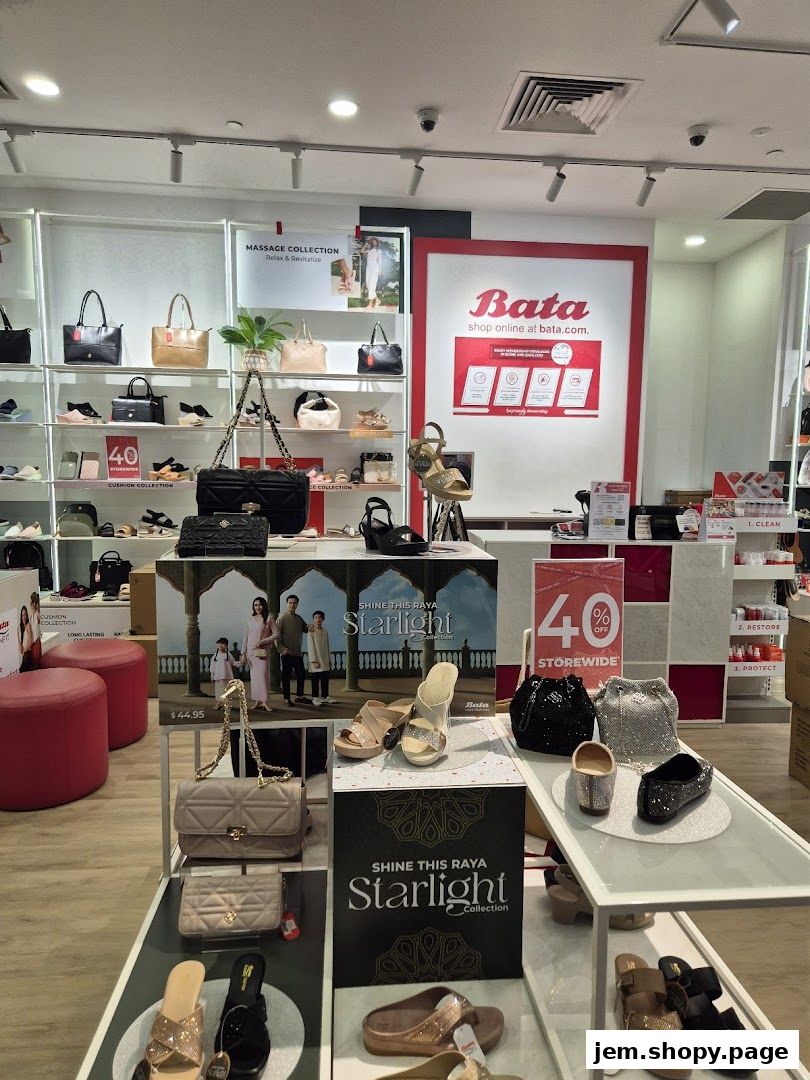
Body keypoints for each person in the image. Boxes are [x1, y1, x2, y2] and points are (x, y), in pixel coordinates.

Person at [240, 596, 277, 712]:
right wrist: (243, 653)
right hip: (250, 652)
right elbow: (246, 637)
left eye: (260, 605)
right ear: (253, 606)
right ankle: (257, 700)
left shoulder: (268, 618)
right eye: (255, 605)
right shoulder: (250, 619)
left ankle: (265, 702)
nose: (258, 607)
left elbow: (277, 634)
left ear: (264, 605)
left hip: (261, 652)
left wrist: (263, 641)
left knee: (262, 676)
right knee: (254, 678)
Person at [275, 594, 310, 706]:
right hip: (286, 653)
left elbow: (306, 628)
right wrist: (281, 649)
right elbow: (276, 635)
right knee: (286, 677)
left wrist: (311, 626)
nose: (292, 605)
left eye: (294, 603)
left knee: (301, 675)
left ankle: (299, 696)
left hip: (297, 653)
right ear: (287, 604)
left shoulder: (299, 618)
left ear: (297, 604)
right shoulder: (282, 618)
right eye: (290, 603)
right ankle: (287, 699)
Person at [307, 609, 335, 706]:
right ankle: (315, 698)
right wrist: (313, 660)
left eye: (320, 617)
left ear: (323, 619)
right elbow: (310, 646)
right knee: (315, 680)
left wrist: (329, 659)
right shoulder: (311, 631)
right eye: (316, 617)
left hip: (325, 659)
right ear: (313, 619)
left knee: (325, 679)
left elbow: (327, 646)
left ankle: (325, 697)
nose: (318, 619)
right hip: (316, 660)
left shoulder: (325, 631)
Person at [363, 236, 382, 309]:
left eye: (375, 241)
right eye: (372, 241)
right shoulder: (369, 250)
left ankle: (370, 304)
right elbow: (361, 251)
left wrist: (380, 270)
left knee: (372, 285)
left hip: (375, 267)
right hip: (368, 267)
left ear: (377, 242)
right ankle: (377, 300)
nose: (373, 242)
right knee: (368, 285)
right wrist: (365, 245)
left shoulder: (379, 251)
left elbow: (380, 261)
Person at [18, 605, 33, 672]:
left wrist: (24, 651)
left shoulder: (28, 625)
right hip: (25, 655)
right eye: (22, 615)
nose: (23, 617)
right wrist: (18, 636)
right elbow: (21, 651)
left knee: (22, 671)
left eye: (25, 615)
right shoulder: (22, 630)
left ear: (27, 615)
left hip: (28, 654)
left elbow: (31, 641)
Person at [28, 592, 41, 668]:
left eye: (30, 602)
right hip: (32, 641)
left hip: (36, 641)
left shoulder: (36, 615)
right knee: (33, 662)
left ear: (33, 603)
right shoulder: (31, 615)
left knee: (36, 662)